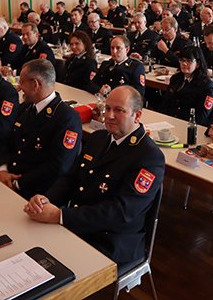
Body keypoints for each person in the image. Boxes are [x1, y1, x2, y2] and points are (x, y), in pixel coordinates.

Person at [24, 86, 165, 268]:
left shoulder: (149, 156)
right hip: (80, 224)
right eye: (107, 108)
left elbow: (120, 212)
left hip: (111, 239)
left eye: (119, 110)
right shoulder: (99, 138)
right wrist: (45, 200)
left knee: (44, 267)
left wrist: (60, 216)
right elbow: (70, 179)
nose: (109, 116)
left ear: (137, 116)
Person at [0, 59, 82, 199]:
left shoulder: (67, 118)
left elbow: (57, 167)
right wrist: (2, 170)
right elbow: (8, 142)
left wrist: (17, 183)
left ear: (35, 84)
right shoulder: (25, 108)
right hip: (7, 182)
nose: (19, 87)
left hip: (35, 193)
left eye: (22, 82)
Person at [158, 46, 213, 126]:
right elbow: (165, 104)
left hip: (192, 126)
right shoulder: (176, 79)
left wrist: (176, 119)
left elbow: (200, 117)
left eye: (189, 61)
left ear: (198, 64)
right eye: (182, 60)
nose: (184, 63)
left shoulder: (207, 86)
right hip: (171, 122)